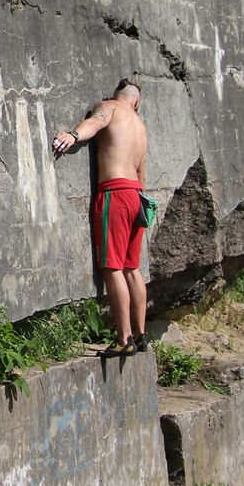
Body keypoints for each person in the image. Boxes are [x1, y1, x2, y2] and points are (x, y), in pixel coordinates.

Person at [53, 79, 149, 358]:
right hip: (137, 196)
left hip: (115, 193)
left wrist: (73, 135)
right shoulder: (141, 128)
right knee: (133, 268)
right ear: (137, 102)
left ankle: (124, 338)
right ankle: (141, 335)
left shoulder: (109, 107)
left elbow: (96, 122)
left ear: (117, 96)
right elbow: (143, 173)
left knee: (112, 267)